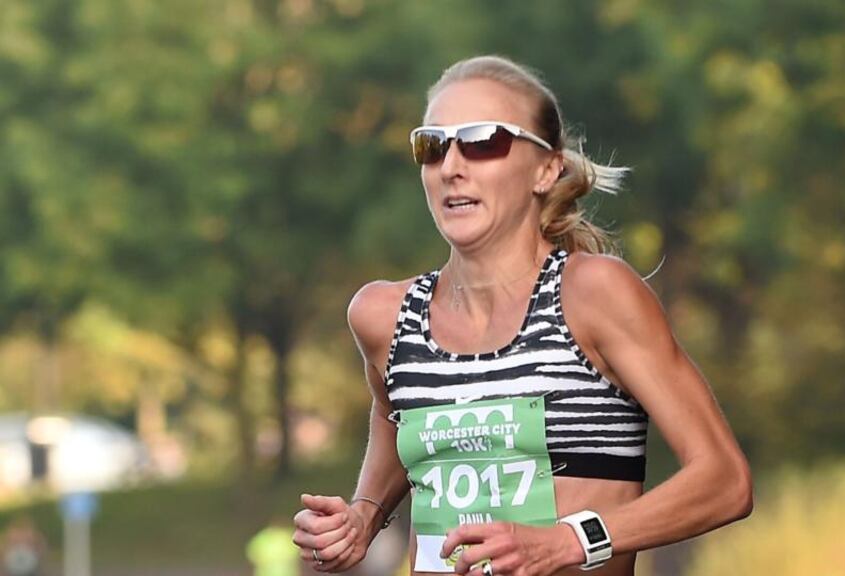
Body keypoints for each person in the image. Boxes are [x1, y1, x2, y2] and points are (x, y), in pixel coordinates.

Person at [292, 55, 752, 576]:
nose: (452, 166)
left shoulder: (593, 295)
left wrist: (566, 542)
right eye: (433, 146)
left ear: (547, 168)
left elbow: (724, 482)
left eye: (484, 141)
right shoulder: (383, 317)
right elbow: (396, 414)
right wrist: (364, 515)